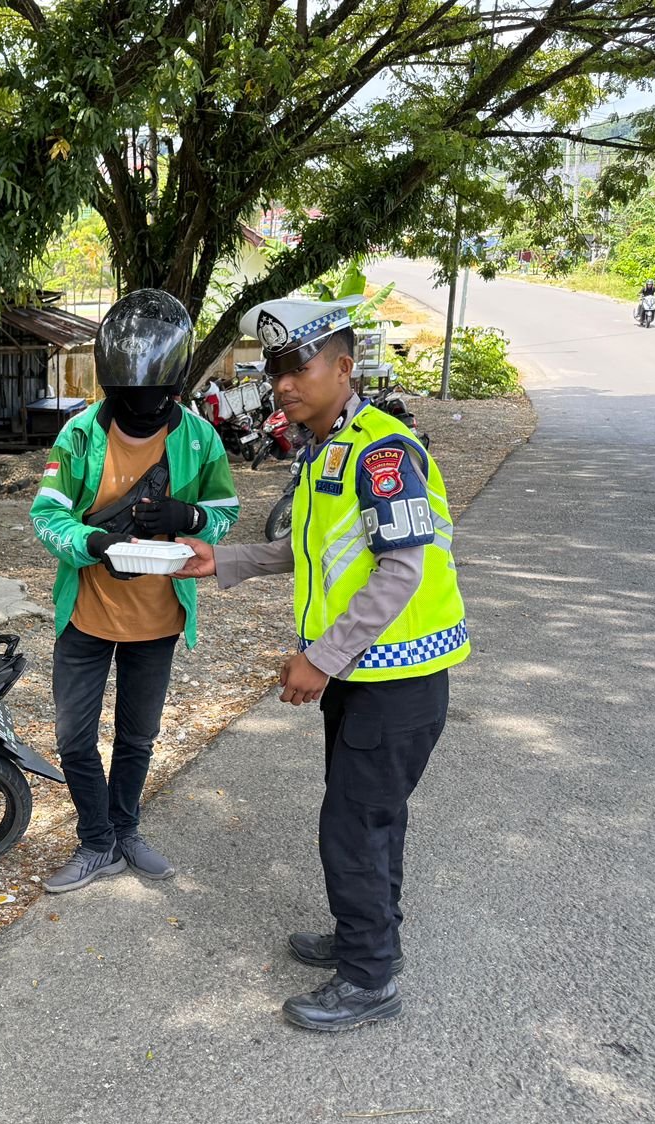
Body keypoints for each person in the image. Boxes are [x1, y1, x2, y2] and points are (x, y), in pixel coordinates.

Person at [175, 295, 469, 1032]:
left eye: (296, 366)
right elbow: (304, 549)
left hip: (392, 678)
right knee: (370, 815)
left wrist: (321, 658)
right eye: (274, 369)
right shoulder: (330, 447)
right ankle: (371, 937)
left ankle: (368, 980)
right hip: (365, 676)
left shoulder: (384, 451)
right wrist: (226, 561)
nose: (281, 383)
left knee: (352, 825)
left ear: (343, 367)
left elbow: (401, 569)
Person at [30, 289, 239, 893]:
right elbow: (47, 515)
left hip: (157, 620)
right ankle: (94, 842)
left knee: (136, 736)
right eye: (126, 401)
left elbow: (224, 511)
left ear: (174, 389)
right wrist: (91, 544)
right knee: (74, 736)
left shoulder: (201, 439)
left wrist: (190, 516)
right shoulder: (77, 436)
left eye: (155, 401)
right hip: (86, 614)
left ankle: (124, 832)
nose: (140, 411)